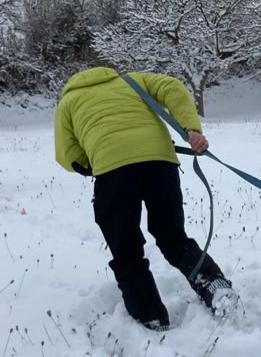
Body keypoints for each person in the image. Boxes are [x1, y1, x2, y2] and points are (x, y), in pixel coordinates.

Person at [54, 66, 238, 330]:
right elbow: (172, 87)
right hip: (159, 163)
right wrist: (191, 129)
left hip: (111, 172)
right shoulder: (131, 81)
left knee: (126, 248)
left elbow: (66, 154)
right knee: (172, 236)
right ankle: (216, 286)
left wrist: (92, 162)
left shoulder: (67, 103)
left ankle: (150, 315)